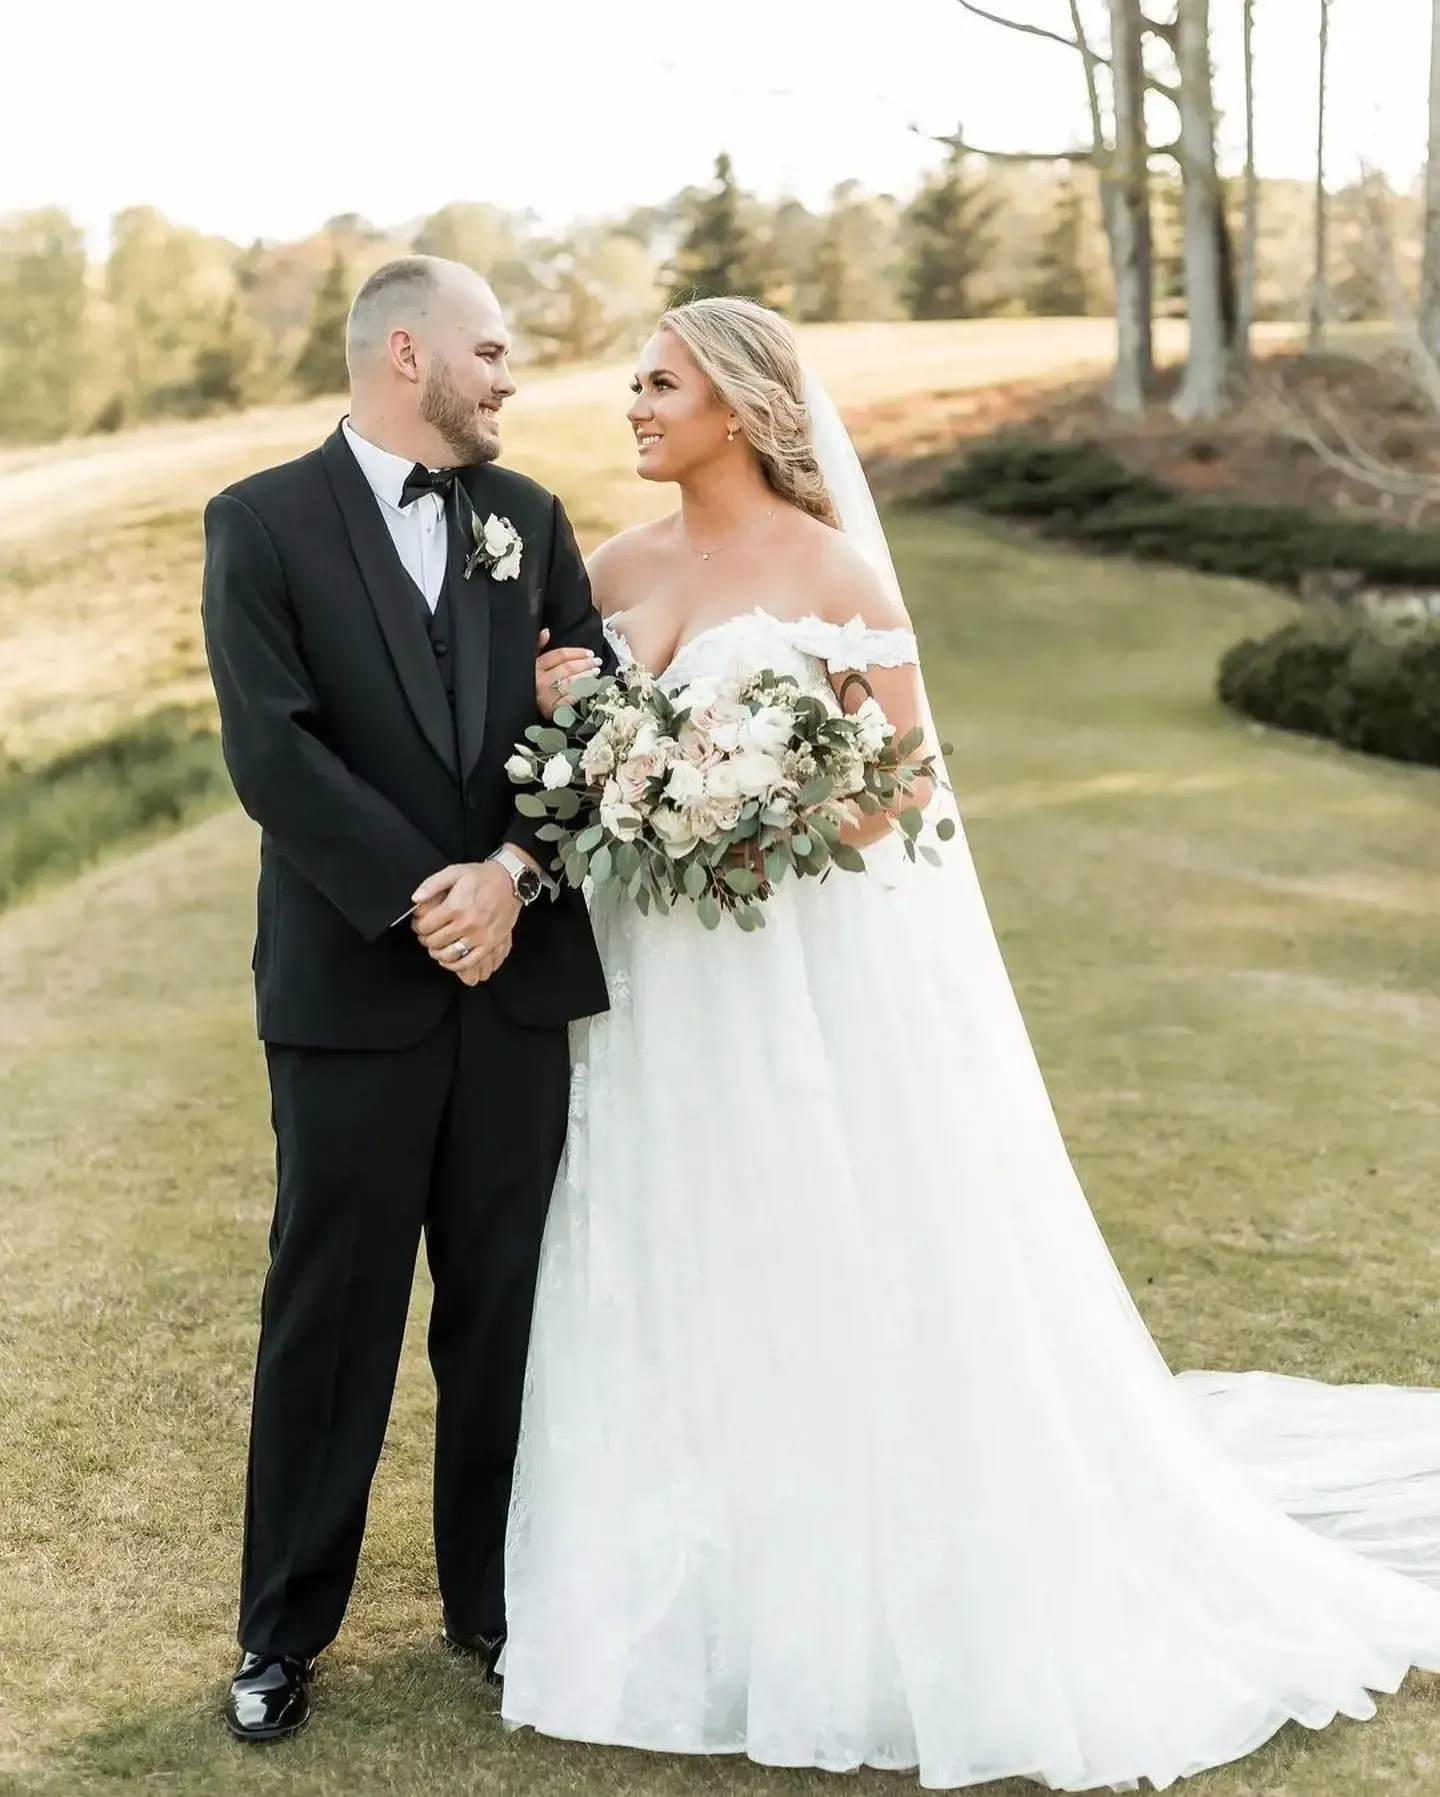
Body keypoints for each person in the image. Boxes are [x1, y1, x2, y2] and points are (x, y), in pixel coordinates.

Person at [499, 295, 1440, 1791]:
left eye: (656, 382)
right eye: (633, 381)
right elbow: (564, 759)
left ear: (734, 407)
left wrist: (746, 806)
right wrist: (616, 749)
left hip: (792, 966)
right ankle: (689, 1576)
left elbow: (905, 790)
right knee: (678, 1243)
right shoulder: (607, 568)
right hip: (656, 981)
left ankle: (852, 1578)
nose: (630, 403)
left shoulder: (833, 572)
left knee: (825, 1234)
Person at [200, 255, 609, 1743]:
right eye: (493, 353)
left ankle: (492, 1604)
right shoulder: (258, 523)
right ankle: (279, 1634)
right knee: (334, 1316)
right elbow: (275, 753)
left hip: (514, 986)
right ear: (409, 354)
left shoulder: (532, 521)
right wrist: (426, 895)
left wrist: (506, 871)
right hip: (352, 989)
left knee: (502, 1313)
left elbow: (598, 724)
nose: (511, 379)